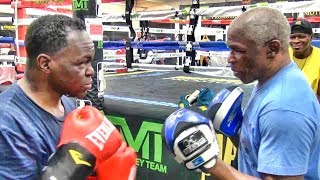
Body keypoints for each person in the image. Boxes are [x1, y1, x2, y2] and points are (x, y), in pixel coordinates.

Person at [163, 7, 320, 180]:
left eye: (238, 50)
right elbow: (260, 157)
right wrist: (236, 132)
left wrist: (211, 163)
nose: (230, 58)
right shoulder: (270, 80)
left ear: (272, 48)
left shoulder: (282, 108)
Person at [0, 15, 137, 179]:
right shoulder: (8, 124)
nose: (90, 71)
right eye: (81, 63)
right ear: (45, 64)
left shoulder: (69, 106)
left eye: (90, 62)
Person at [289, 19, 320, 101]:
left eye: (301, 37)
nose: (296, 41)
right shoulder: (283, 56)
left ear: (311, 37)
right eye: (292, 37)